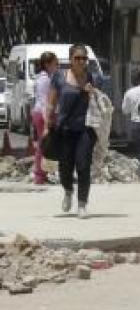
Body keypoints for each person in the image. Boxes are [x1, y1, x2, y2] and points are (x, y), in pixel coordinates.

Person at [45, 44, 100, 218]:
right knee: (65, 167)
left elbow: (100, 103)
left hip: (85, 129)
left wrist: (93, 93)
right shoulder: (59, 77)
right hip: (64, 129)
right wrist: (47, 125)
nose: (81, 61)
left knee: (83, 166)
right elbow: (51, 103)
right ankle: (68, 191)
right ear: (70, 60)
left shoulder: (92, 77)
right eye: (77, 58)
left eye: (84, 58)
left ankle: (82, 205)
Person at [31, 51, 59, 184]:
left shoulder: (46, 78)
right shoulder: (45, 80)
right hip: (43, 115)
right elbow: (44, 102)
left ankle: (43, 173)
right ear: (47, 64)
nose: (57, 65)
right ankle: (39, 175)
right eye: (55, 63)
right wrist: (47, 122)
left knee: (47, 145)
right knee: (44, 146)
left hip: (44, 114)